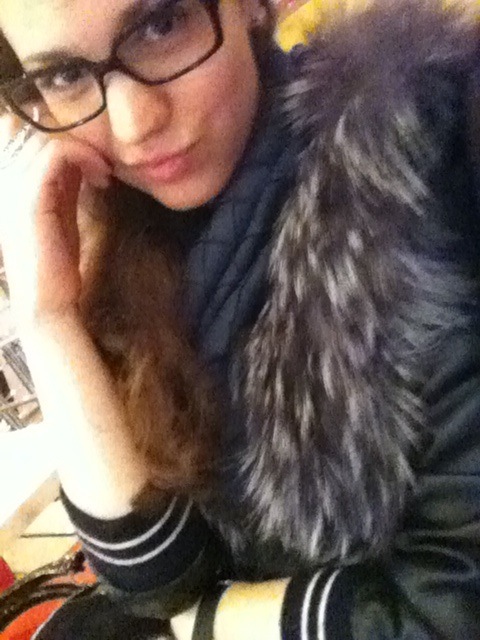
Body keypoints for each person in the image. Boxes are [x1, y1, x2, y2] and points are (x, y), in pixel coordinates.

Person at [0, 0, 479, 638]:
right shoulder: (122, 231)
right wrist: (49, 321)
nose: (134, 122)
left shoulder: (429, 172)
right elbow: (158, 577)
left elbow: (450, 612)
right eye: (63, 75)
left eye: (161, 24)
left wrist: (196, 623)